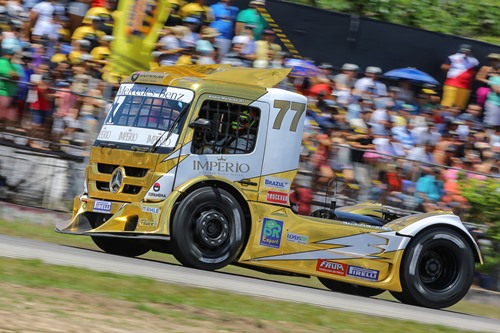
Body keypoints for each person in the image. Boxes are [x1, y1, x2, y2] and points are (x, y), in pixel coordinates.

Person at [440, 44, 479, 110]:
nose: (465, 53)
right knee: (447, 104)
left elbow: (474, 72)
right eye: (463, 51)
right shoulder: (452, 57)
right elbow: (444, 67)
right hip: (451, 84)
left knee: (458, 107)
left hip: (466, 87)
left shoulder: (474, 61)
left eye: (467, 51)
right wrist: (455, 70)